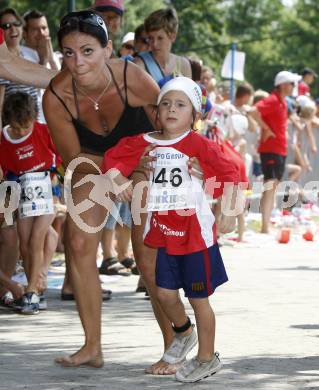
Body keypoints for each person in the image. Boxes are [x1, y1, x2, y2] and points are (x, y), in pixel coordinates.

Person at [102, 77, 240, 383]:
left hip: (195, 235)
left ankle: (207, 358)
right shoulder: (145, 143)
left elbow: (230, 170)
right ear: (156, 112)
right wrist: (119, 180)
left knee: (199, 299)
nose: (171, 109)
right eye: (165, 103)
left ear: (194, 115)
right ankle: (184, 332)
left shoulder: (198, 144)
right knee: (163, 293)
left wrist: (229, 208)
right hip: (163, 231)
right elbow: (113, 157)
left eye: (180, 104)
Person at [43, 10, 159, 367]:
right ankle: (92, 346)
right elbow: (75, 160)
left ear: (108, 49)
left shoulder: (131, 77)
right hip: (90, 163)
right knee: (78, 242)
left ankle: (176, 341)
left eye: (87, 51)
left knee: (147, 254)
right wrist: (111, 174)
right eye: (68, 52)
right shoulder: (57, 96)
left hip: (143, 155)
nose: (77, 62)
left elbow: (172, 125)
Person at [0, 92, 60, 314]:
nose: (22, 132)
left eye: (26, 127)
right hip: (22, 193)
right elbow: (6, 169)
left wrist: (56, 174)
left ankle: (32, 291)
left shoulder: (43, 131)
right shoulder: (4, 139)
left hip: (46, 189)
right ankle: (34, 289)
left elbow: (60, 153)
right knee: (24, 243)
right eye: (17, 128)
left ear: (34, 119)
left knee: (37, 238)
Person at [249, 71, 301, 233]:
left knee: (272, 187)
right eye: (292, 83)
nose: (294, 87)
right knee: (270, 186)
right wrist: (266, 129)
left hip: (279, 149)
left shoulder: (283, 102)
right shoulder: (272, 100)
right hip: (270, 149)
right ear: (283, 85)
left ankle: (266, 224)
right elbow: (252, 111)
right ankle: (265, 227)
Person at [134, 8, 191, 85]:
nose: (154, 44)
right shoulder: (139, 64)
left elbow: (190, 95)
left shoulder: (184, 65)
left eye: (160, 38)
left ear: (173, 37)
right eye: (150, 38)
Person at [0, 8, 39, 120]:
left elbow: (37, 96)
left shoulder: (32, 54)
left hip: (33, 124)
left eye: (16, 24)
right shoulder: (2, 61)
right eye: (6, 26)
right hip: (13, 128)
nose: (13, 29)